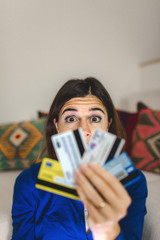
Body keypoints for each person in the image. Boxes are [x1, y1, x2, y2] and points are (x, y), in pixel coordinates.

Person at [11, 77, 147, 240]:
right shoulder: (29, 181)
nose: (83, 129)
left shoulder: (133, 181)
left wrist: (109, 230)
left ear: (108, 125)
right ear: (57, 126)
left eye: (95, 118)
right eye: (71, 119)